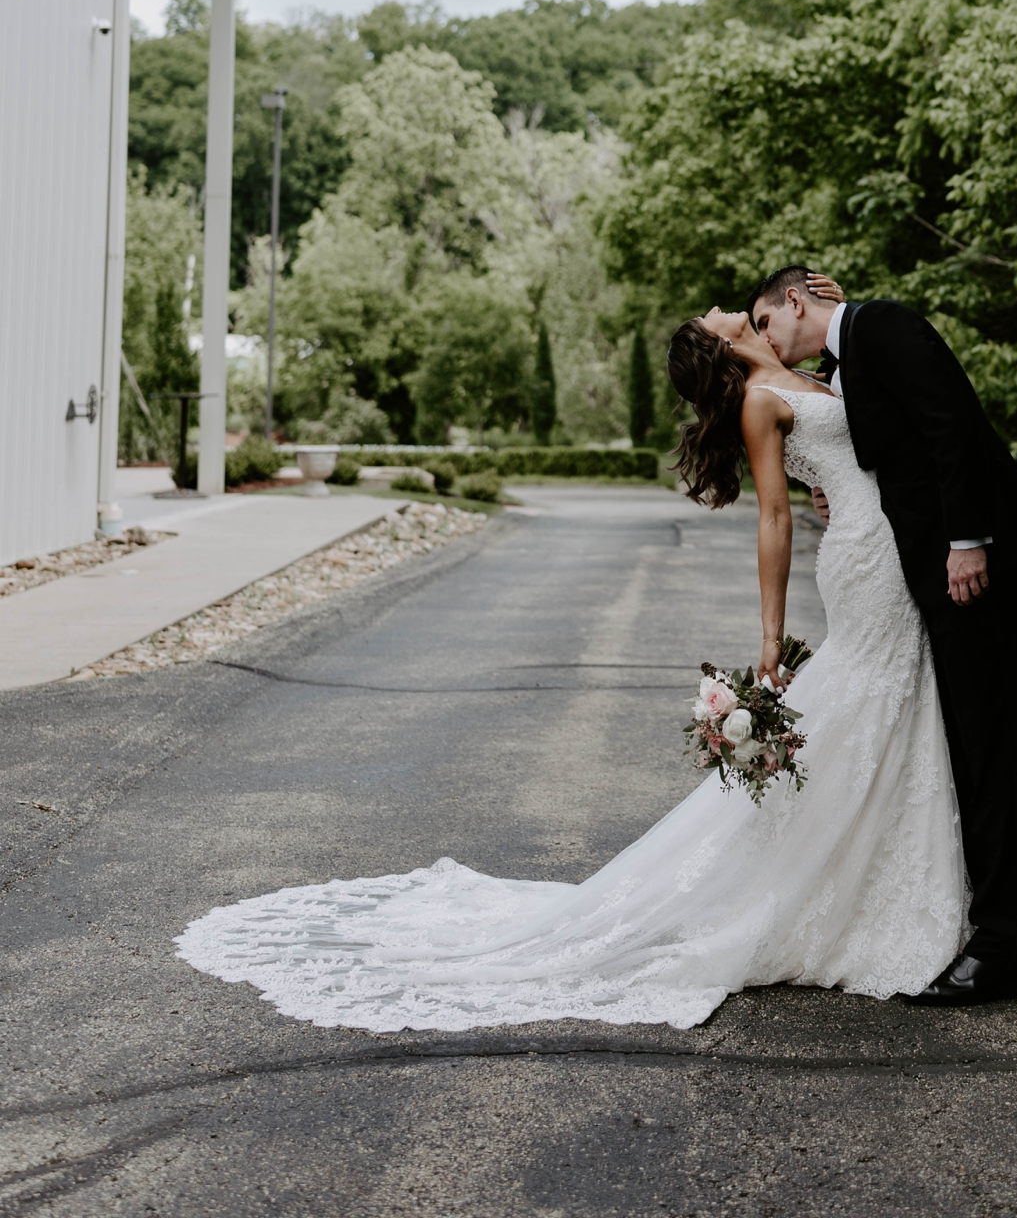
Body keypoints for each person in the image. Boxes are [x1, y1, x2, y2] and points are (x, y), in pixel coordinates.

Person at [173, 302, 966, 1032]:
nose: (727, 307)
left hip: (889, 533)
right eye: (716, 314)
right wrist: (771, 633)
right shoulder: (763, 401)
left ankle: (865, 870)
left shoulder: (801, 371)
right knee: (867, 700)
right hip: (868, 558)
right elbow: (771, 515)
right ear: (718, 341)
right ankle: (836, 887)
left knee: (874, 705)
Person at [750, 268, 1017, 1006]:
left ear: (795, 301)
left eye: (765, 323)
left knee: (995, 751)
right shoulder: (848, 355)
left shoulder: (884, 326)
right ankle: (993, 931)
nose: (767, 342)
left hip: (977, 562)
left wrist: (967, 540)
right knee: (973, 749)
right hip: (933, 571)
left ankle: (1003, 951)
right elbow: (896, 443)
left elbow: (952, 423)